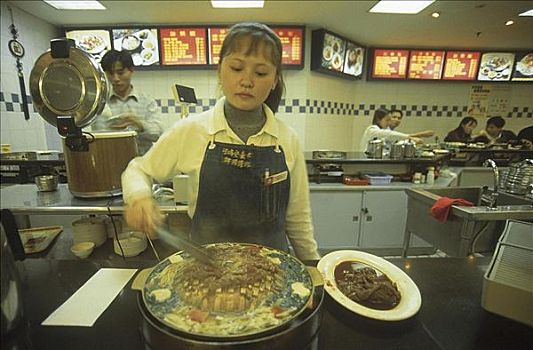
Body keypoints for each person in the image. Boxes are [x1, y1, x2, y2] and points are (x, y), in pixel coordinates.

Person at [121, 22, 320, 261]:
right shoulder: (193, 131)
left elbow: (298, 217)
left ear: (275, 79)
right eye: (236, 68)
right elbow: (138, 169)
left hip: (273, 272)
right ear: (219, 70)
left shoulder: (287, 140)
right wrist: (140, 197)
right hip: (207, 272)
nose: (247, 81)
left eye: (260, 73)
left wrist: (313, 264)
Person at [92, 50, 163, 155]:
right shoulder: (100, 103)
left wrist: (139, 124)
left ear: (131, 71)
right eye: (111, 73)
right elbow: (98, 136)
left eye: (120, 73)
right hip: (109, 161)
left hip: (142, 163)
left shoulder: (146, 101)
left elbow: (158, 133)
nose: (116, 78)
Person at [360, 108, 427, 152]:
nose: (389, 122)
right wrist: (410, 136)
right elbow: (389, 134)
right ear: (378, 119)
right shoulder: (372, 129)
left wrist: (412, 141)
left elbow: (394, 139)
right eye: (387, 120)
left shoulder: (384, 130)